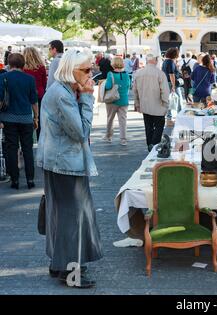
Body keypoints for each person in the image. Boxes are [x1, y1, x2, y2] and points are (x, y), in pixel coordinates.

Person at [36, 49, 102, 288]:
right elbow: (80, 132)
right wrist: (87, 98)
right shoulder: (63, 95)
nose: (90, 74)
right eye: (86, 69)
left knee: (61, 215)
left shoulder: (61, 90)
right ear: (70, 70)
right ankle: (71, 273)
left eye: (91, 68)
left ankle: (59, 264)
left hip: (59, 162)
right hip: (64, 164)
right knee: (73, 217)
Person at [0, 53, 38, 190]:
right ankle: (30, 179)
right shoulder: (29, 79)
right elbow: (34, 101)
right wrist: (36, 118)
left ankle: (14, 180)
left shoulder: (3, 78)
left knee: (11, 148)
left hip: (8, 118)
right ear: (23, 64)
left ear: (10, 64)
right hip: (26, 118)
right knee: (27, 149)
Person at [133, 53, 170, 152]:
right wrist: (166, 104)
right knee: (159, 126)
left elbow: (135, 90)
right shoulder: (160, 73)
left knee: (148, 127)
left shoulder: (138, 73)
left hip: (145, 105)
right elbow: (165, 91)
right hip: (158, 105)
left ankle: (150, 144)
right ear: (155, 61)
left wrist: (137, 104)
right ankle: (154, 145)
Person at [102, 57, 130, 145]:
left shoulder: (110, 74)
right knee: (123, 120)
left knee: (110, 119)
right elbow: (128, 86)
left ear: (113, 64)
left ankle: (108, 137)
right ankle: (123, 139)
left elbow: (108, 86)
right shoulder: (126, 74)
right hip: (124, 100)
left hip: (112, 100)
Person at [23, 47, 47, 140]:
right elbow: (44, 83)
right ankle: (40, 139)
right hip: (39, 94)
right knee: (40, 119)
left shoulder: (22, 68)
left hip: (26, 95)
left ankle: (28, 141)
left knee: (27, 118)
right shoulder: (41, 67)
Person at [162, 47, 183, 120]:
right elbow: (171, 75)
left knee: (169, 99)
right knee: (179, 98)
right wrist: (173, 86)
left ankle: (169, 116)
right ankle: (180, 114)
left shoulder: (165, 61)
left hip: (166, 82)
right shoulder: (170, 62)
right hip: (171, 83)